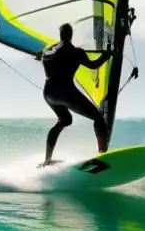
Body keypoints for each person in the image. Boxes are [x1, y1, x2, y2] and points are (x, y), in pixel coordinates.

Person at [35, 22, 112, 166]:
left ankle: (47, 159)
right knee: (98, 118)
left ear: (60, 35)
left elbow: (41, 56)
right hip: (66, 92)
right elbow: (93, 65)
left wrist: (40, 55)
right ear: (71, 35)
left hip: (49, 93)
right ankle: (103, 154)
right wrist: (106, 56)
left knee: (65, 120)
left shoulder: (48, 51)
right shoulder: (76, 52)